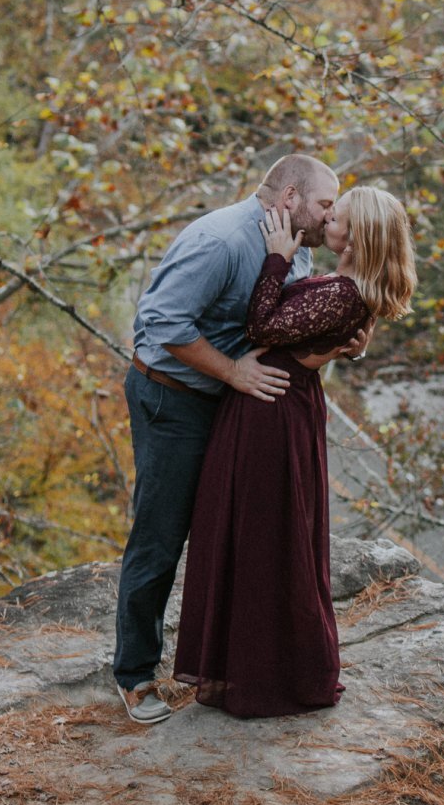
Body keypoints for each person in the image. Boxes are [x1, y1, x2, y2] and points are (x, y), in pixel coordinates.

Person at [114, 154, 369, 724]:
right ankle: (134, 677)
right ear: (291, 200)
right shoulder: (221, 241)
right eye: (326, 204)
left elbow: (293, 315)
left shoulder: (294, 245)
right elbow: (161, 323)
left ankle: (226, 661)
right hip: (173, 399)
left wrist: (340, 342)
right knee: (161, 532)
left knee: (226, 531)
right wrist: (232, 372)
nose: (331, 217)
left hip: (230, 406)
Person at [172, 185, 415, 718]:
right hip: (275, 402)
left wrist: (276, 261)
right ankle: (248, 663)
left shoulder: (344, 292)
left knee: (264, 538)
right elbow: (317, 324)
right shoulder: (347, 286)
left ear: (357, 235)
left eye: (338, 216)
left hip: (272, 412)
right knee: (259, 532)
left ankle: (269, 675)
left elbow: (261, 326)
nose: (328, 219)